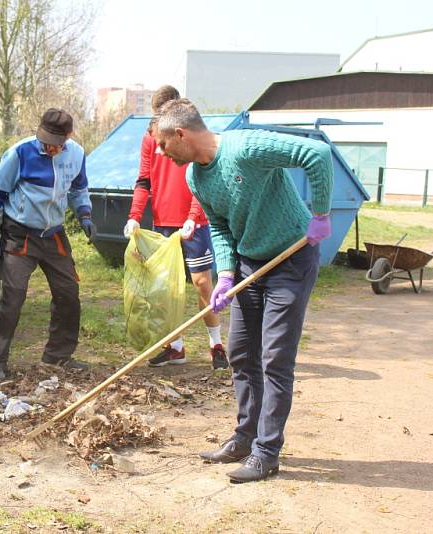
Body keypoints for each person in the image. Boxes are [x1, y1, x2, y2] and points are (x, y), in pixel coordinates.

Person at [153, 98, 333, 483]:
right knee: (240, 353)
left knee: (275, 358)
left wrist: (320, 214)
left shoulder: (245, 148)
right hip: (252, 263)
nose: (160, 152)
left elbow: (316, 153)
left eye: (163, 144)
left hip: (291, 258)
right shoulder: (194, 178)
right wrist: (224, 274)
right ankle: (245, 437)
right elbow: (219, 228)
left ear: (180, 134)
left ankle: (267, 453)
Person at [0, 108, 96, 382]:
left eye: (56, 144)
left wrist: (85, 214)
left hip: (53, 234)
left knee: (68, 292)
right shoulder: (20, 153)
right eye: (46, 141)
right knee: (14, 296)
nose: (50, 148)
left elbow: (79, 188)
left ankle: (57, 356)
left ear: (68, 137)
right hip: (20, 234)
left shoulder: (77, 154)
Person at [124, 85, 228, 370]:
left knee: (203, 284)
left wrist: (194, 215)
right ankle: (176, 347)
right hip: (163, 222)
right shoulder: (150, 139)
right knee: (166, 290)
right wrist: (135, 215)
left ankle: (216, 345)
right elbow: (144, 179)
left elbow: (204, 174)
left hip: (194, 223)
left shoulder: (190, 136)